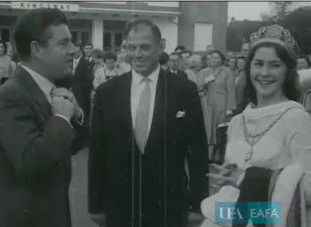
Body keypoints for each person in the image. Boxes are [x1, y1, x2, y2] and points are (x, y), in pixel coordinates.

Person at [88, 18, 209, 227]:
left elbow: (198, 151)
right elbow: (97, 151)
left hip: (169, 206)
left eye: (144, 47)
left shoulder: (184, 90)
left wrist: (197, 204)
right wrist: (96, 204)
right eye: (131, 47)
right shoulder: (107, 92)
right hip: (120, 205)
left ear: (160, 47)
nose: (136, 54)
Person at [203, 24, 311, 227]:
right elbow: (233, 197)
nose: (264, 72)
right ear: (249, 68)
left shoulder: (296, 118)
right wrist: (226, 182)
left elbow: (308, 188)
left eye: (275, 65)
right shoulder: (237, 122)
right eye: (258, 64)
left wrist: (247, 179)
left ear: (288, 71)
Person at [0, 8, 86, 227]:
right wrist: (60, 118)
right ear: (36, 49)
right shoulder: (11, 95)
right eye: (63, 43)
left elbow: (72, 145)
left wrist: (76, 116)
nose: (73, 50)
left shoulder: (52, 88)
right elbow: (29, 160)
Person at [197, 50, 236, 163]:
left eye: (216, 58)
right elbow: (197, 87)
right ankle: (208, 157)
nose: (213, 60)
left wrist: (230, 108)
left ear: (221, 60)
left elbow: (231, 91)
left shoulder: (227, 71)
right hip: (208, 102)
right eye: (211, 57)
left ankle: (218, 157)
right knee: (208, 129)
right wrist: (205, 81)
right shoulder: (204, 72)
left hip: (222, 102)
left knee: (219, 129)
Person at [55, 42, 93, 123]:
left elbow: (88, 80)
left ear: (80, 51)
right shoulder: (68, 62)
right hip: (68, 92)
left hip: (81, 94)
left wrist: (79, 89)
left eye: (77, 52)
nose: (75, 54)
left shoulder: (86, 63)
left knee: (80, 114)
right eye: (74, 52)